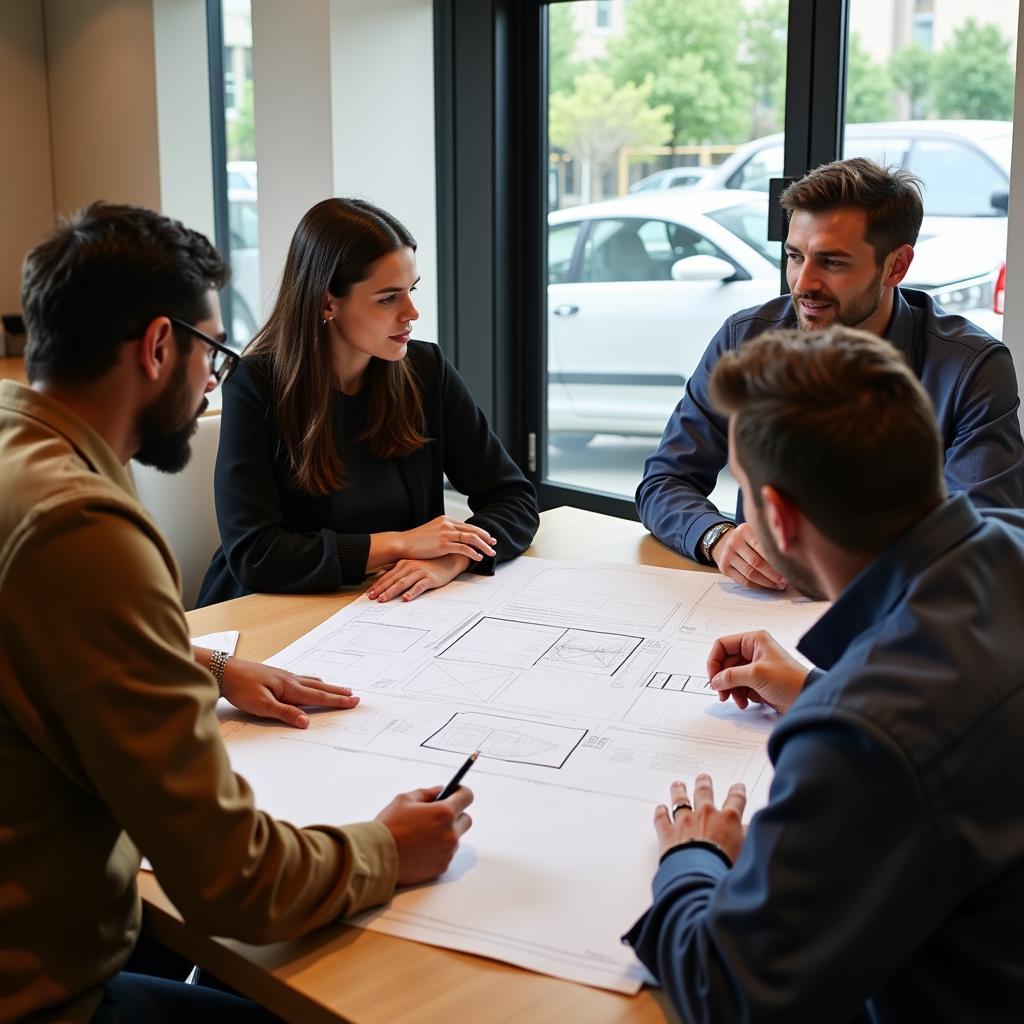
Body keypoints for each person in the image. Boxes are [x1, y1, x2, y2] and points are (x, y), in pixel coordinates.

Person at [0, 202, 474, 1023]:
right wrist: (385, 849)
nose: (215, 375)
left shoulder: (17, 452)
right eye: (211, 348)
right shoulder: (84, 527)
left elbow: (42, 640)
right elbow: (231, 882)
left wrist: (209, 665)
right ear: (158, 346)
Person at [625, 325, 1024, 1021]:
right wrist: (820, 688)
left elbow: (731, 994)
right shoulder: (1009, 550)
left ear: (776, 515)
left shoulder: (862, 738)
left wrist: (693, 859)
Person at [636, 157, 1024, 590]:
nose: (803, 283)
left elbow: (984, 537)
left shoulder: (971, 367)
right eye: (794, 256)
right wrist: (717, 537)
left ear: (896, 266)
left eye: (832, 262)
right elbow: (664, 481)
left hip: (899, 620)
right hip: (760, 612)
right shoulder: (745, 338)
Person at [197, 198, 538, 607]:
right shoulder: (256, 386)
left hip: (386, 609)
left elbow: (514, 497)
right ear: (327, 302)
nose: (412, 312)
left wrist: (450, 560)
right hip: (268, 609)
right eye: (388, 298)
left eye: (411, 291)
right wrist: (401, 544)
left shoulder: (426, 370)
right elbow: (257, 555)